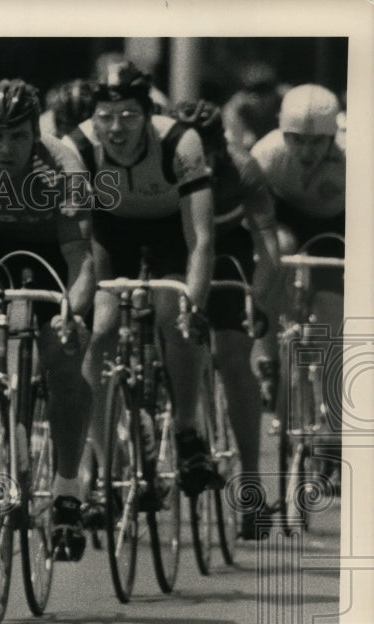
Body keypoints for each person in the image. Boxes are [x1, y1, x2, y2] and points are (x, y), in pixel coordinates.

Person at [62, 61, 220, 509]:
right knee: (101, 330)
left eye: (129, 116)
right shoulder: (80, 146)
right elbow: (78, 236)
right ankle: (104, 462)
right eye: (106, 117)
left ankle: (188, 433)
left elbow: (202, 239)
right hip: (111, 237)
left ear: (148, 114)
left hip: (171, 233)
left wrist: (195, 301)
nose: (116, 127)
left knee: (174, 318)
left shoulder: (179, 141)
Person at [0, 78, 96, 561]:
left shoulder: (63, 165)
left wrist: (71, 312)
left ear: (36, 133)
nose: (6, 148)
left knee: (63, 365)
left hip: (54, 247)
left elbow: (82, 265)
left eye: (18, 136)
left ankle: (68, 488)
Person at [172, 99, 281, 539]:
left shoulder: (243, 169)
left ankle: (251, 487)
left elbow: (269, 249)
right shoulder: (167, 161)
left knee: (234, 360)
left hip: (229, 255)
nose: (206, 163)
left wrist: (255, 297)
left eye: (212, 154)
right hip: (178, 249)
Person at [251, 84, 346, 483]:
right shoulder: (266, 154)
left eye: (316, 143)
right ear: (282, 134)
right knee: (276, 255)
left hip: (338, 224)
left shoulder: (353, 158)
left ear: (332, 138)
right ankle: (269, 353)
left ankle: (334, 427)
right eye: (297, 140)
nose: (306, 152)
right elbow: (252, 217)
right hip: (284, 220)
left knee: (331, 318)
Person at [221, 61, 283, 152]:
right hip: (249, 156)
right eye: (253, 91)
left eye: (265, 90)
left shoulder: (286, 100)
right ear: (244, 93)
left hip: (281, 154)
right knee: (248, 141)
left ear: (274, 91)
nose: (260, 99)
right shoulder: (235, 109)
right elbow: (232, 148)